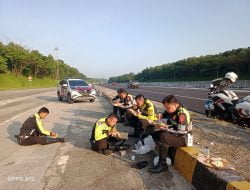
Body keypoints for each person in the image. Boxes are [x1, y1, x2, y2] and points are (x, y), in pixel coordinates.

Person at [149, 95, 192, 173]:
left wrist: (166, 129)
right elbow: (165, 114)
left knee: (163, 136)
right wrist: (160, 115)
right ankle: (164, 154)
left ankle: (163, 164)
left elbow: (182, 132)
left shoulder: (182, 113)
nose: (167, 110)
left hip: (184, 138)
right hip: (174, 134)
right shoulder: (172, 109)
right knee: (153, 131)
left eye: (168, 108)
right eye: (165, 108)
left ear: (175, 104)